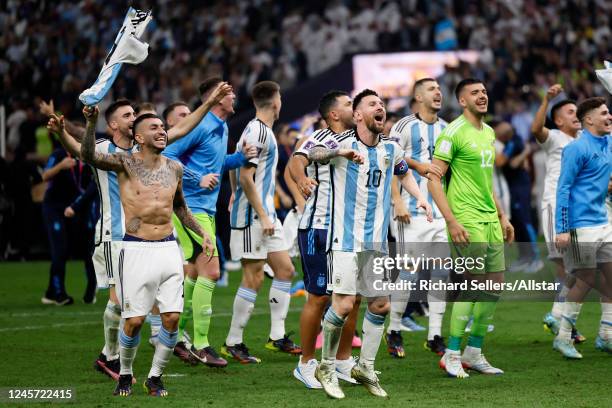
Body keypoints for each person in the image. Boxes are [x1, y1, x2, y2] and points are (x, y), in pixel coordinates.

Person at [43, 82, 231, 382]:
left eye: (136, 115)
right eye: (129, 115)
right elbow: (82, 151)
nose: (135, 117)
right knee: (120, 302)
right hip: (113, 234)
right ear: (115, 123)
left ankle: (152, 343)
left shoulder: (148, 150)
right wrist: (65, 131)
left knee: (150, 298)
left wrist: (209, 103)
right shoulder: (109, 151)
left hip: (149, 239)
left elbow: (182, 129)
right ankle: (111, 355)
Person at [81, 106, 215, 397]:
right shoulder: (124, 163)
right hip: (135, 249)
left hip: (168, 248)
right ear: (139, 137)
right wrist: (91, 123)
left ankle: (155, 377)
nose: (161, 131)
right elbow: (89, 156)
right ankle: (125, 374)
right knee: (134, 321)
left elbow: (180, 207)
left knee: (171, 319)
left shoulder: (174, 167)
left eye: (162, 127)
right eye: (153, 128)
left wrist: (203, 233)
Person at [308, 89, 431, 399]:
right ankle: (326, 366)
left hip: (374, 244)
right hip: (344, 241)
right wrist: (339, 154)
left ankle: (365, 366)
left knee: (380, 304)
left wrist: (419, 199)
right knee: (345, 304)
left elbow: (403, 173)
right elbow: (313, 155)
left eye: (382, 104)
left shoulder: (390, 148)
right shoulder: (342, 141)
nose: (381, 108)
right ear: (358, 115)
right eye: (372, 104)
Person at [163, 77, 256, 367]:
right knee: (212, 271)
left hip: (206, 208)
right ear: (215, 98)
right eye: (227, 93)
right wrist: (195, 178)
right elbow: (166, 156)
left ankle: (177, 337)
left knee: (194, 273)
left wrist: (239, 158)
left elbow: (213, 166)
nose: (233, 97)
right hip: (189, 208)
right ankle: (201, 344)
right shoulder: (201, 124)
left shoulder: (220, 126)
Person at [428, 78, 514, 378]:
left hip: (490, 218)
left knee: (493, 286)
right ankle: (451, 354)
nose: (482, 96)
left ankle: (473, 352)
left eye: (484, 92)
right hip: (466, 218)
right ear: (462, 101)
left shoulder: (489, 132)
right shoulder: (453, 132)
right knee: (474, 283)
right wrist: (452, 221)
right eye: (474, 93)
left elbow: (485, 182)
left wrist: (502, 215)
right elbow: (433, 178)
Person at [286, 90, 362, 388]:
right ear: (333, 114)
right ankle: (306, 363)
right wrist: (303, 178)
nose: (352, 107)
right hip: (319, 226)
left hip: (349, 230)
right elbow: (296, 161)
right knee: (318, 297)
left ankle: (343, 362)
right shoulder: (322, 137)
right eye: (347, 104)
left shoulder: (361, 139)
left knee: (352, 299)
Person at [225, 81, 301, 364]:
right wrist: (261, 212)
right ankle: (233, 341)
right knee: (253, 277)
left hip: (264, 213)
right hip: (253, 217)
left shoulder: (259, 131)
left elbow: (237, 164)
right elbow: (246, 175)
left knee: (285, 269)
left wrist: (234, 193)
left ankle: (277, 336)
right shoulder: (257, 130)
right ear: (275, 101)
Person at [387, 78, 450, 358]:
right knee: (409, 274)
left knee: (440, 275)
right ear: (418, 96)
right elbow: (388, 159)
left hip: (438, 215)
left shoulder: (447, 128)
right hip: (409, 213)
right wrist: (398, 199)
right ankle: (394, 329)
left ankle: (435, 334)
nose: (438, 92)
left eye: (439, 88)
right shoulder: (403, 126)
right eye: (431, 89)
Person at [553, 97, 612, 358]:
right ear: (588, 120)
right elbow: (563, 188)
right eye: (604, 113)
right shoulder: (576, 148)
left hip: (603, 221)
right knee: (585, 279)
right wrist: (562, 228)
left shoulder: (609, 142)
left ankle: (606, 335)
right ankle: (563, 337)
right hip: (580, 225)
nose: (609, 116)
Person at [530, 85, 584, 339]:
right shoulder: (554, 137)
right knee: (570, 268)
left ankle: (560, 317)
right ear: (559, 119)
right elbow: (535, 130)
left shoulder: (585, 139)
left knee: (579, 268)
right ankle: (562, 320)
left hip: (581, 209)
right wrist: (546, 101)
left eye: (578, 111)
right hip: (556, 207)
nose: (577, 115)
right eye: (571, 111)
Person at [40, 145, 97, 305]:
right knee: (60, 249)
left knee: (80, 249)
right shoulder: (59, 154)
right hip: (54, 208)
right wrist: (61, 166)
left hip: (74, 209)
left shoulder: (87, 158)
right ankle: (59, 293)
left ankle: (51, 292)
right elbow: (45, 176)